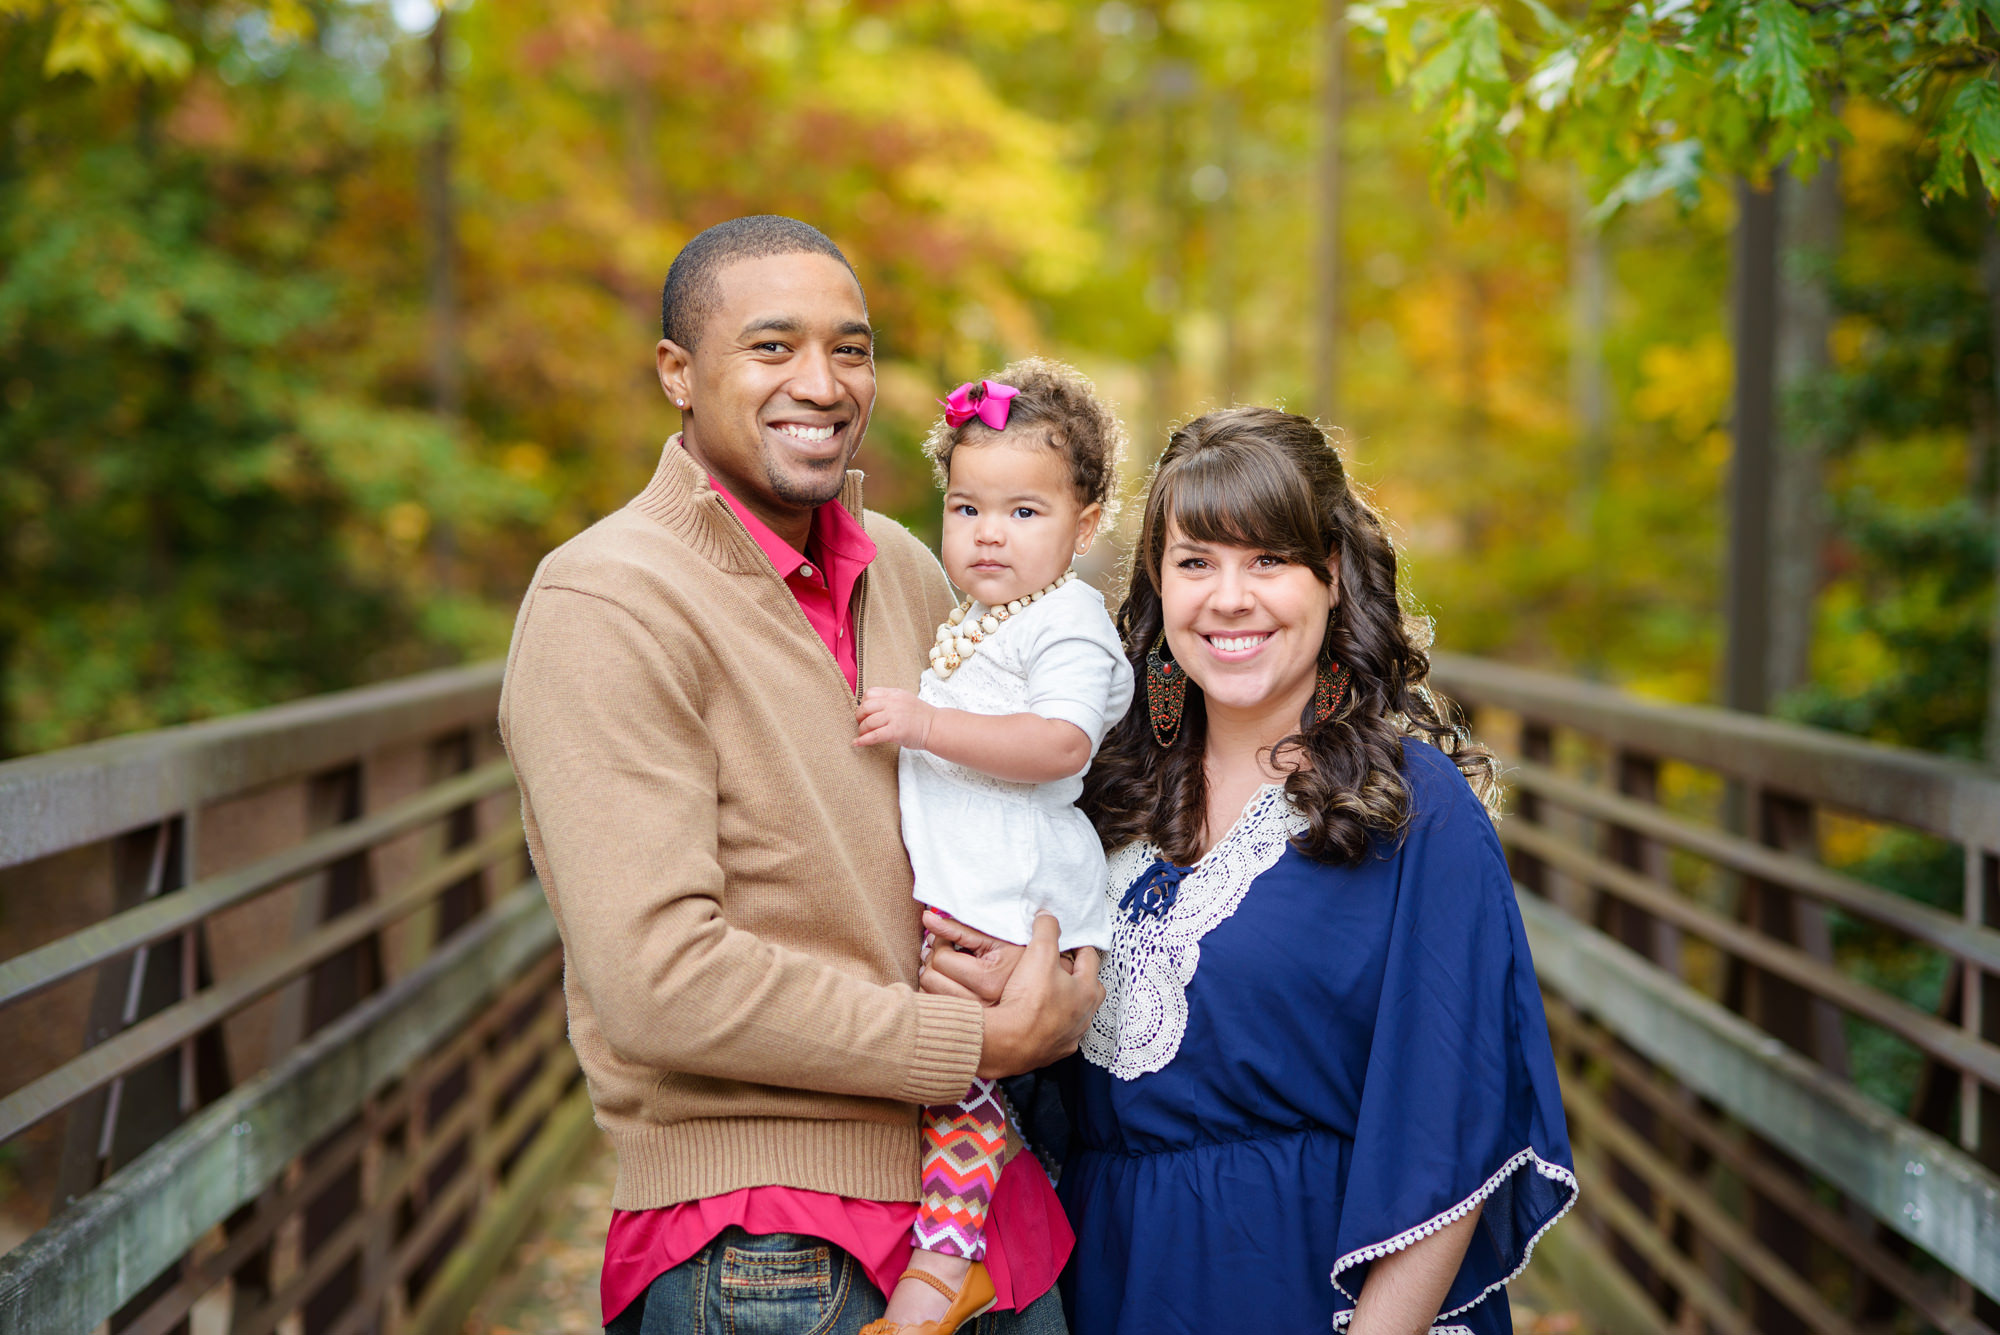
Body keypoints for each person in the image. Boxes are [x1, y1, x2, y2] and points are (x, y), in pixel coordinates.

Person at [498, 215, 1101, 1335]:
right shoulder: (606, 602)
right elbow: (660, 979)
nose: (821, 384)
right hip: (768, 1247)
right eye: (771, 347)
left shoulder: (913, 573)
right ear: (677, 373)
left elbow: (1044, 773)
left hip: (979, 1215)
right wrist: (979, 1041)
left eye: (852, 348)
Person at [923, 407, 1577, 1334]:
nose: (1230, 598)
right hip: (1113, 1283)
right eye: (1196, 562)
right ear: (1157, 581)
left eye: (1268, 559)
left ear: (1334, 576)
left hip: (1312, 1290)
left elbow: (1453, 1122)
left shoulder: (1412, 810)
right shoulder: (1102, 791)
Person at [851, 360, 1134, 1334]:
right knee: (954, 1077)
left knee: (956, 1072)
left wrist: (926, 726)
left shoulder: (1069, 621)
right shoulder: (980, 618)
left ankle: (944, 1268)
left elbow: (1059, 743)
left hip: (1009, 890)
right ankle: (973, 1231)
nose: (986, 533)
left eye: (1022, 512)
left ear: (1083, 523)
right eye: (966, 508)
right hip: (970, 881)